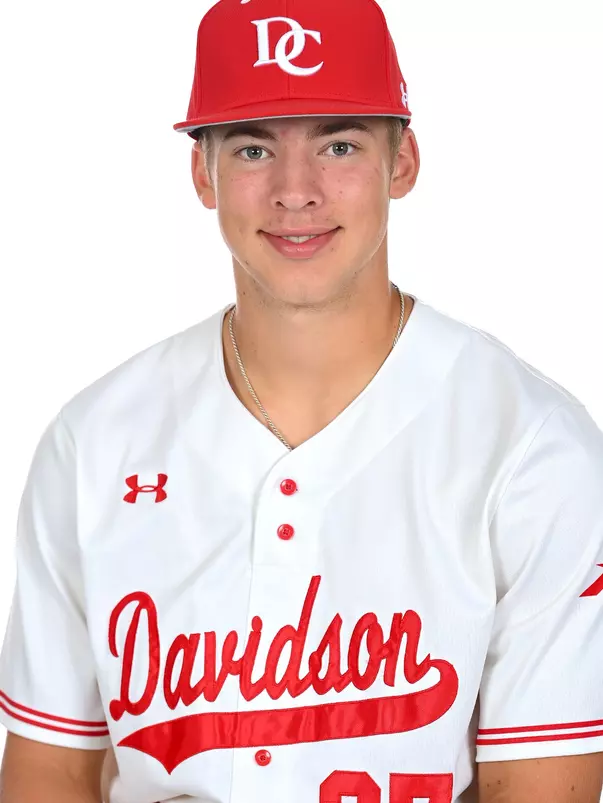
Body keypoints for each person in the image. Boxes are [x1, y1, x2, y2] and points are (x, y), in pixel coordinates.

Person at [1, 0, 603, 801]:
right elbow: (50, 765)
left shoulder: (530, 445)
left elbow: (543, 785)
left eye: (340, 144)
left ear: (403, 163)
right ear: (201, 174)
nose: (296, 191)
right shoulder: (95, 440)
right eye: (253, 148)